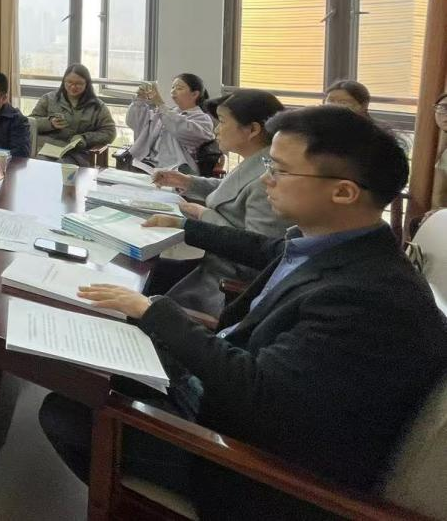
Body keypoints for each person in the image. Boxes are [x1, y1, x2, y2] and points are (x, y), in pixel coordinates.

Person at [39, 105, 447, 519]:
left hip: (253, 467)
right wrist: (184, 227)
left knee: (67, 412)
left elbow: (258, 395)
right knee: (97, 353)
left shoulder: (368, 299)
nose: (267, 179)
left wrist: (155, 311)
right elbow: (263, 248)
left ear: (343, 192)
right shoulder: (341, 245)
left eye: (280, 170)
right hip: (234, 390)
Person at [149, 89, 290, 316]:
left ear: (253, 130)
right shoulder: (257, 160)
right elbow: (231, 190)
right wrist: (187, 181)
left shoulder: (269, 177)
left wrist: (203, 215)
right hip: (206, 263)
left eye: (222, 122)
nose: (216, 129)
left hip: (222, 287)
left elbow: (257, 252)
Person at [26, 63, 115, 166]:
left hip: (76, 154)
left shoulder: (97, 106)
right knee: (41, 163)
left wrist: (85, 138)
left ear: (87, 84)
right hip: (46, 150)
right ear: (64, 81)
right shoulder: (49, 99)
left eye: (78, 84)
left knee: (57, 167)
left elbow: (110, 132)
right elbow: (30, 123)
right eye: (69, 82)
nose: (73, 87)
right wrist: (50, 123)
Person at [125, 73, 215, 174]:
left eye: (179, 88)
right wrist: (139, 101)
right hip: (148, 164)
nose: (173, 91)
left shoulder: (203, 119)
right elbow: (135, 123)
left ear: (194, 94)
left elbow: (181, 129)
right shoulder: (167, 113)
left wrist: (160, 104)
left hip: (177, 170)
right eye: (173, 87)